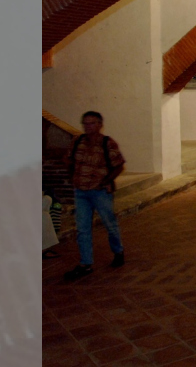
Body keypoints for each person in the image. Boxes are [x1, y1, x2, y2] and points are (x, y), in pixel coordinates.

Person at [62, 111, 127, 281]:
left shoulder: (107, 143)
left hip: (100, 192)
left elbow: (119, 165)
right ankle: (86, 263)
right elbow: (68, 160)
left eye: (91, 123)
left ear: (99, 125)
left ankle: (118, 251)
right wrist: (73, 178)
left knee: (109, 224)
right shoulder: (77, 142)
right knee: (82, 228)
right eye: (85, 123)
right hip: (81, 192)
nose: (87, 127)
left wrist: (106, 180)